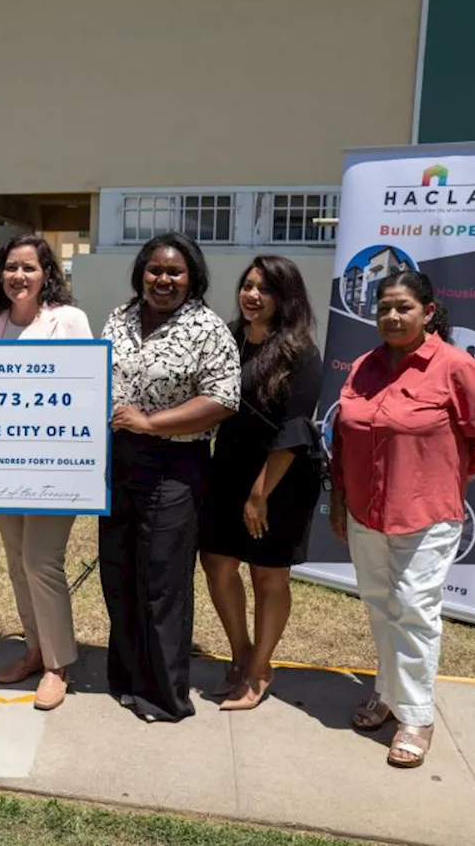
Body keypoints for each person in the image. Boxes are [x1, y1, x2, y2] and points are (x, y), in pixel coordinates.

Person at [330, 271, 475, 768]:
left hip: (426, 514)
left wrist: (454, 475)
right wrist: (342, 496)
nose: (391, 316)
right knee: (379, 604)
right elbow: (343, 435)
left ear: (427, 312)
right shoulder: (365, 366)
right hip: (367, 509)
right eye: (384, 307)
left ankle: (416, 715)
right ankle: (387, 693)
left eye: (403, 307)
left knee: (413, 607)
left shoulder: (454, 367)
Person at [99, 231, 240, 723]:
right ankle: (127, 678)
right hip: (119, 462)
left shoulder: (207, 328)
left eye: (174, 272)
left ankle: (163, 695)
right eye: (155, 270)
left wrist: (152, 423)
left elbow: (222, 400)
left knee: (163, 582)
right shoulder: (119, 318)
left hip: (175, 466)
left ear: (192, 277)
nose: (163, 280)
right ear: (141, 272)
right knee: (119, 572)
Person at [199, 256, 322, 711]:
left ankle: (258, 671)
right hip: (227, 468)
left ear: (284, 297)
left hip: (279, 476)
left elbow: (295, 429)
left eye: (264, 289)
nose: (252, 295)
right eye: (247, 286)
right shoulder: (228, 339)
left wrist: (259, 493)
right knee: (216, 563)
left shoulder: (299, 351)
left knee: (267, 574)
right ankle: (241, 653)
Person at [0, 233, 91, 710]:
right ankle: (34, 648)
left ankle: (57, 665)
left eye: (28, 267)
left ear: (47, 274)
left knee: (41, 562)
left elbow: (84, 388)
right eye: (10, 267)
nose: (18, 276)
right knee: (18, 562)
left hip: (53, 466)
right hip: (4, 467)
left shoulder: (67, 321)